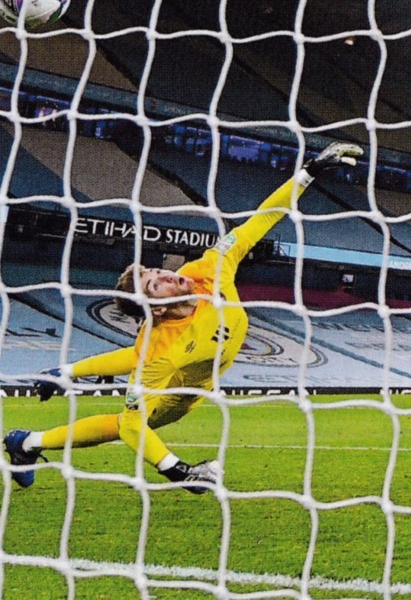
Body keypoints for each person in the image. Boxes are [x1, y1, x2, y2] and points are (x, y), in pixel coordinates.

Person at [4, 142, 363, 492]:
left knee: (120, 421)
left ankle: (25, 443)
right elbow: (133, 417)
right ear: (157, 310)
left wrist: (309, 173)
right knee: (124, 425)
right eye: (155, 284)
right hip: (175, 396)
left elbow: (263, 219)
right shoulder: (160, 347)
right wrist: (178, 471)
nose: (165, 274)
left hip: (199, 383)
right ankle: (27, 442)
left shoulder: (210, 267)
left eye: (154, 270)